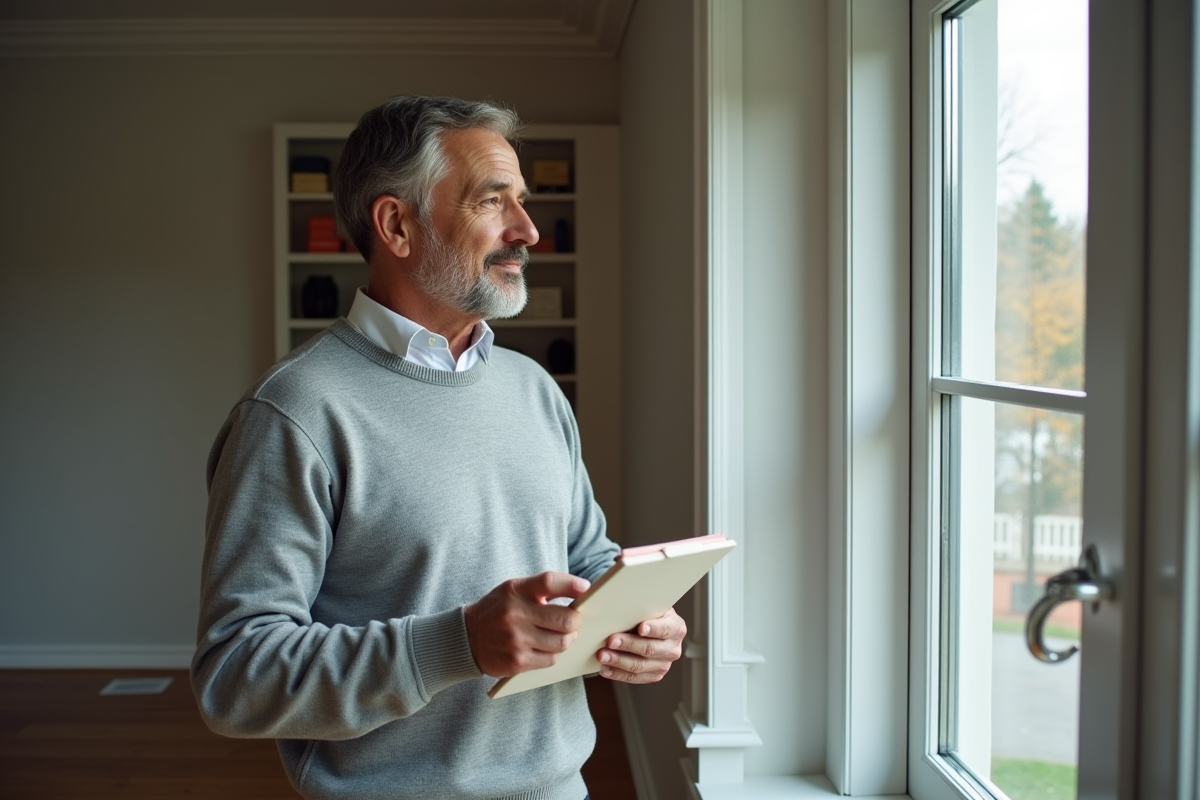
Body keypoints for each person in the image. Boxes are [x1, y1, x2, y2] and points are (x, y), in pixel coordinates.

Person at [191, 95, 686, 800]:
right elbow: (237, 678)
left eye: (523, 202)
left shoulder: (533, 387)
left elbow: (586, 557)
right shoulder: (294, 412)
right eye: (494, 202)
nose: (529, 231)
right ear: (396, 224)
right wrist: (457, 645)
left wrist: (639, 620)